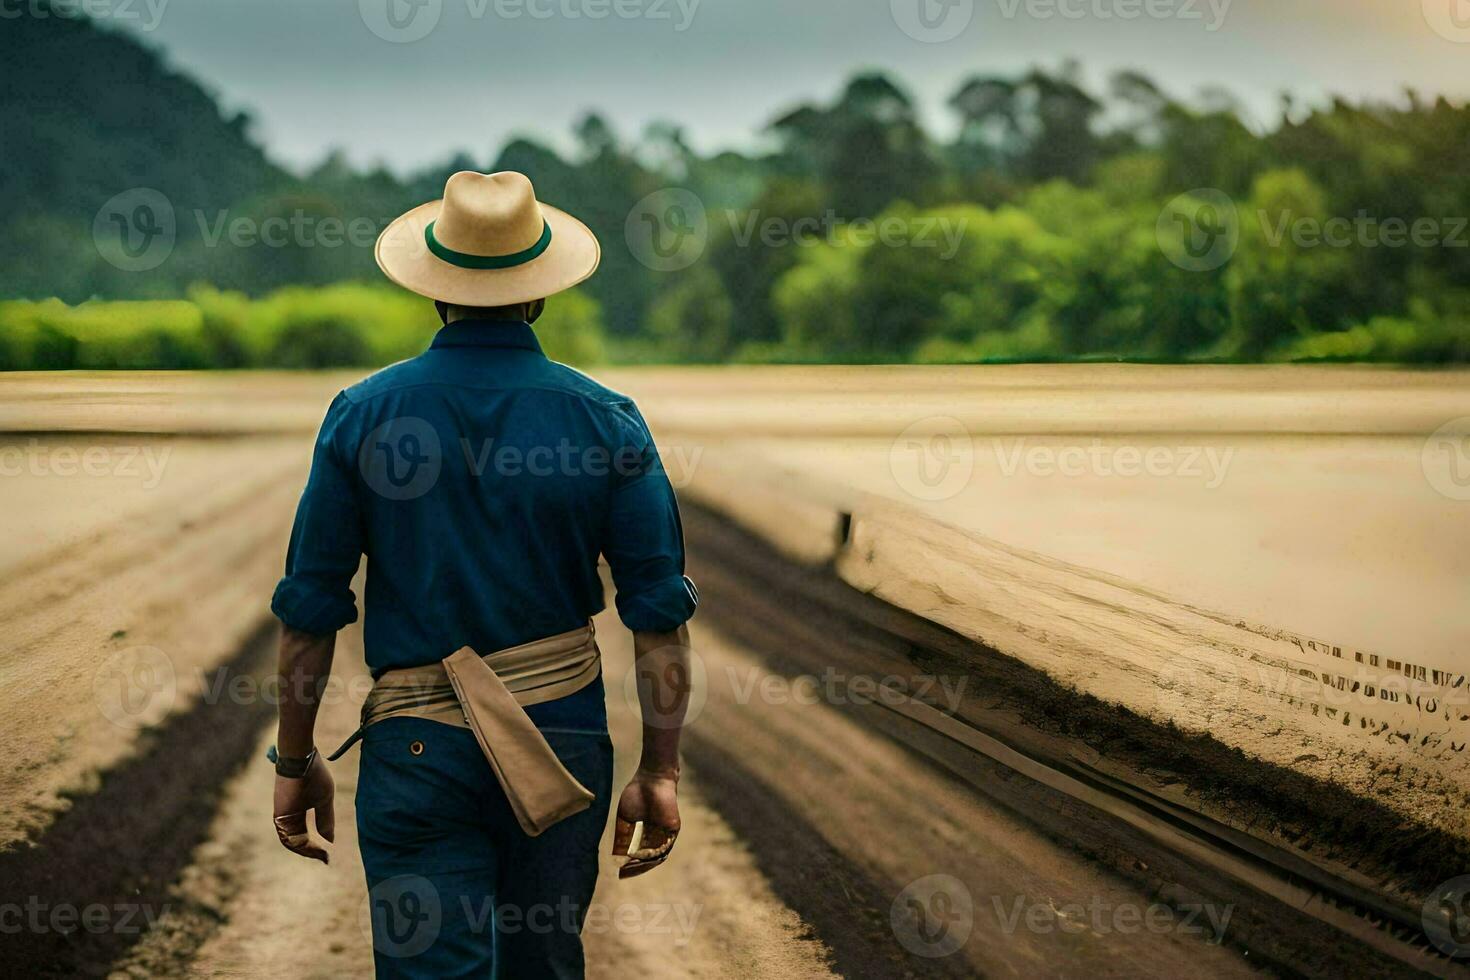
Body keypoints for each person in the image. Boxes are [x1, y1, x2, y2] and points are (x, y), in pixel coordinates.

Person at [267, 170, 698, 978]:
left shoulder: (363, 414)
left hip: (414, 749)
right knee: (543, 963)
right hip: (562, 740)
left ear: (435, 292)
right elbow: (658, 618)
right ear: (540, 294)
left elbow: (309, 613)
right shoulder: (606, 419)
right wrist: (660, 771)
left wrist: (295, 764)